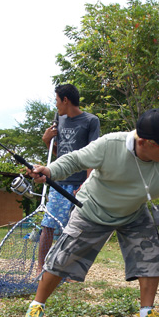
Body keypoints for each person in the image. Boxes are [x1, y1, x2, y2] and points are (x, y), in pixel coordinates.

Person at [23, 108, 159, 317]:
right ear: (143, 142)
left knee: (150, 254)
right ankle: (36, 306)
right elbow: (75, 160)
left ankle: (146, 314)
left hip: (133, 212)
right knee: (62, 258)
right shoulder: (110, 145)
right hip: (93, 209)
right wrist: (49, 170)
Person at [38, 83, 100, 273]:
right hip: (58, 183)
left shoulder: (91, 121)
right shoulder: (59, 122)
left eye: (57, 101)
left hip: (79, 184)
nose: (56, 105)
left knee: (77, 231)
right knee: (48, 226)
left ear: (66, 100)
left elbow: (93, 154)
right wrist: (46, 140)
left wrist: (86, 184)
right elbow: (57, 155)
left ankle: (71, 272)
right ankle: (41, 268)